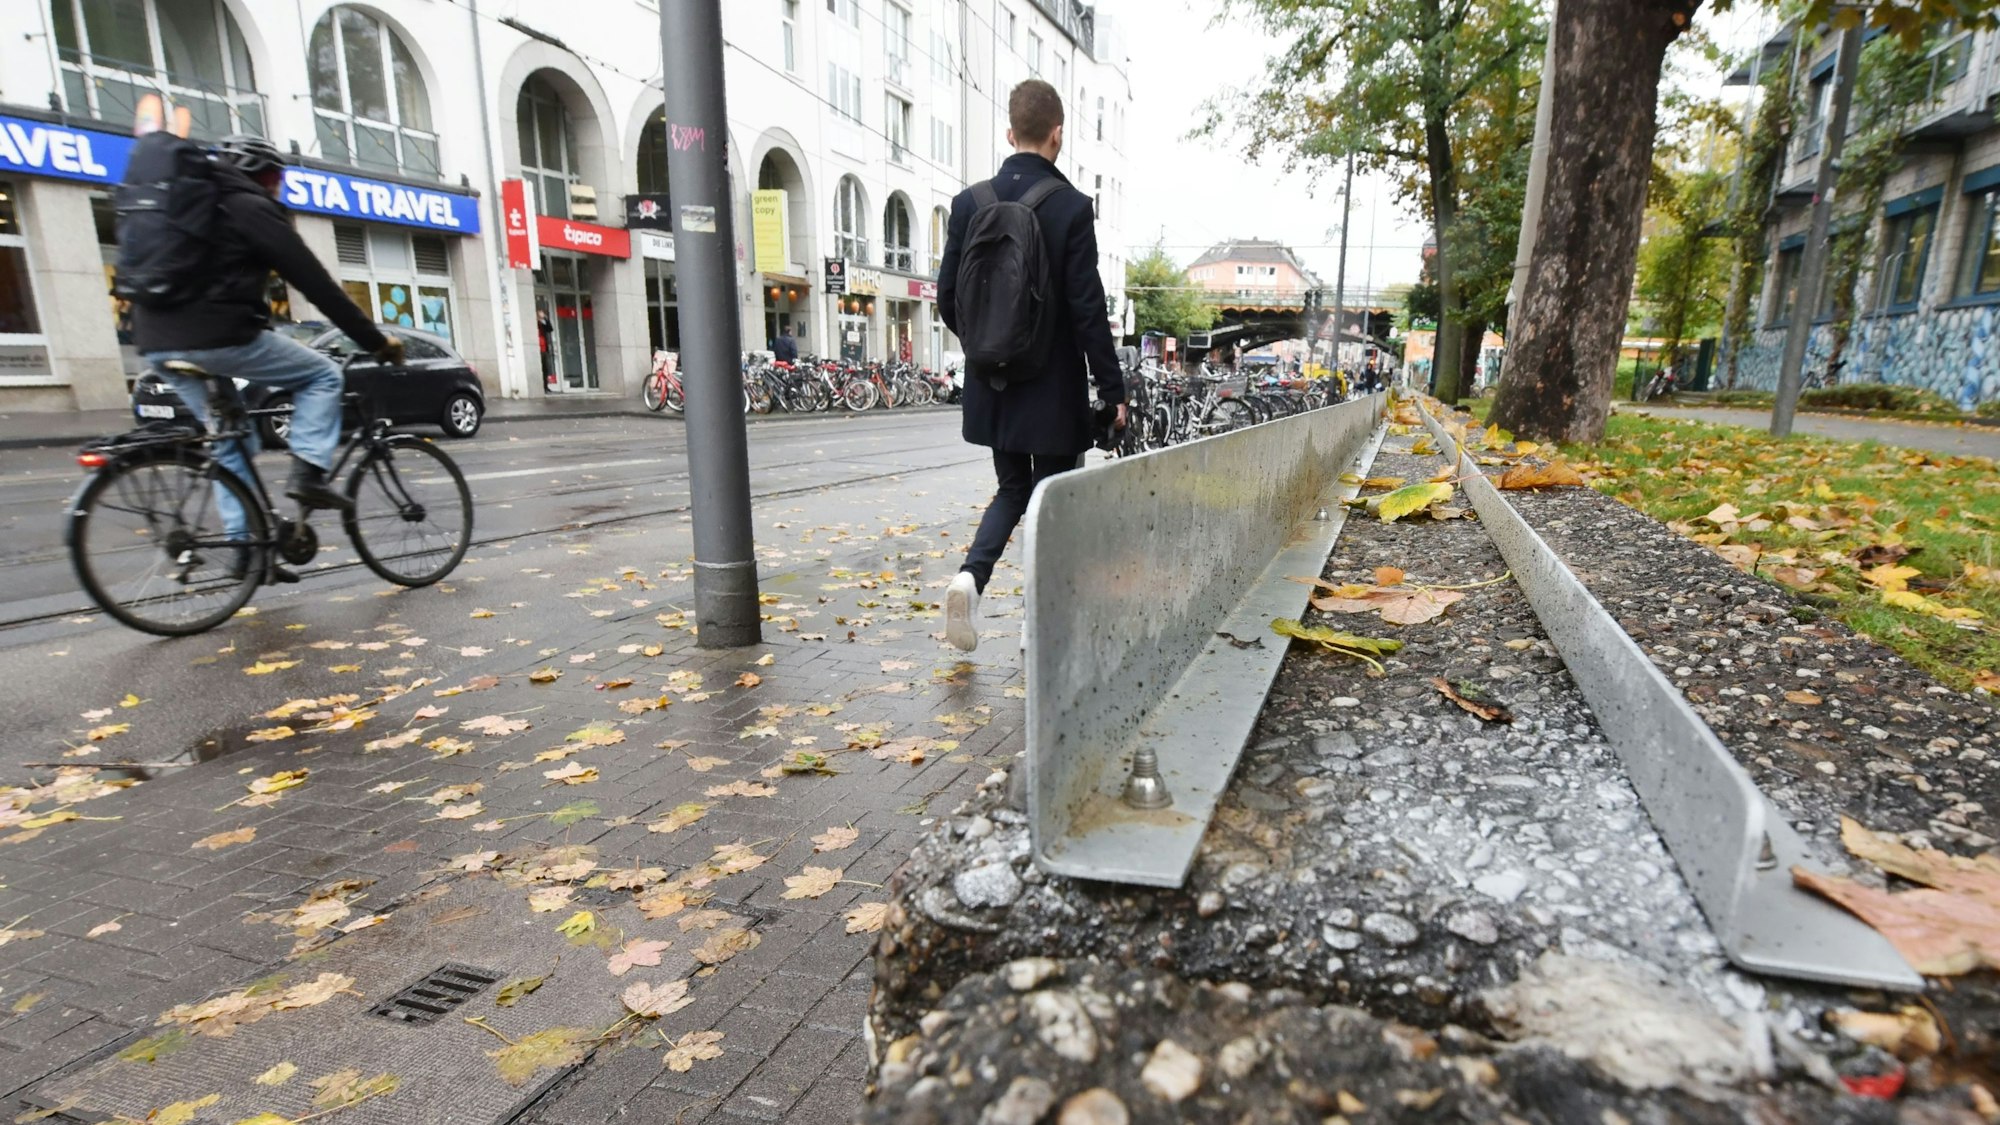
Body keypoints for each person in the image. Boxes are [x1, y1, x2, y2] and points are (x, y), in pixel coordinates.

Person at [937, 78, 1125, 653]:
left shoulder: (971, 203)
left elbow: (948, 297)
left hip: (994, 382)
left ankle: (970, 579)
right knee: (1050, 497)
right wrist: (1112, 390)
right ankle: (1034, 624)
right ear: (1057, 135)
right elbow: (1088, 309)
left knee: (1011, 488)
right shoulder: (1069, 208)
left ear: (1010, 131)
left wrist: (990, 345)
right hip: (1054, 387)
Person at [134, 134, 401, 533]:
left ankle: (245, 550)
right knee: (323, 375)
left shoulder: (188, 205)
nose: (280, 184)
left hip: (156, 342)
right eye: (278, 175)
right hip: (218, 336)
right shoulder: (249, 207)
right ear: (264, 175)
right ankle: (308, 474)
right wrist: (375, 341)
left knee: (231, 440)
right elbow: (315, 283)